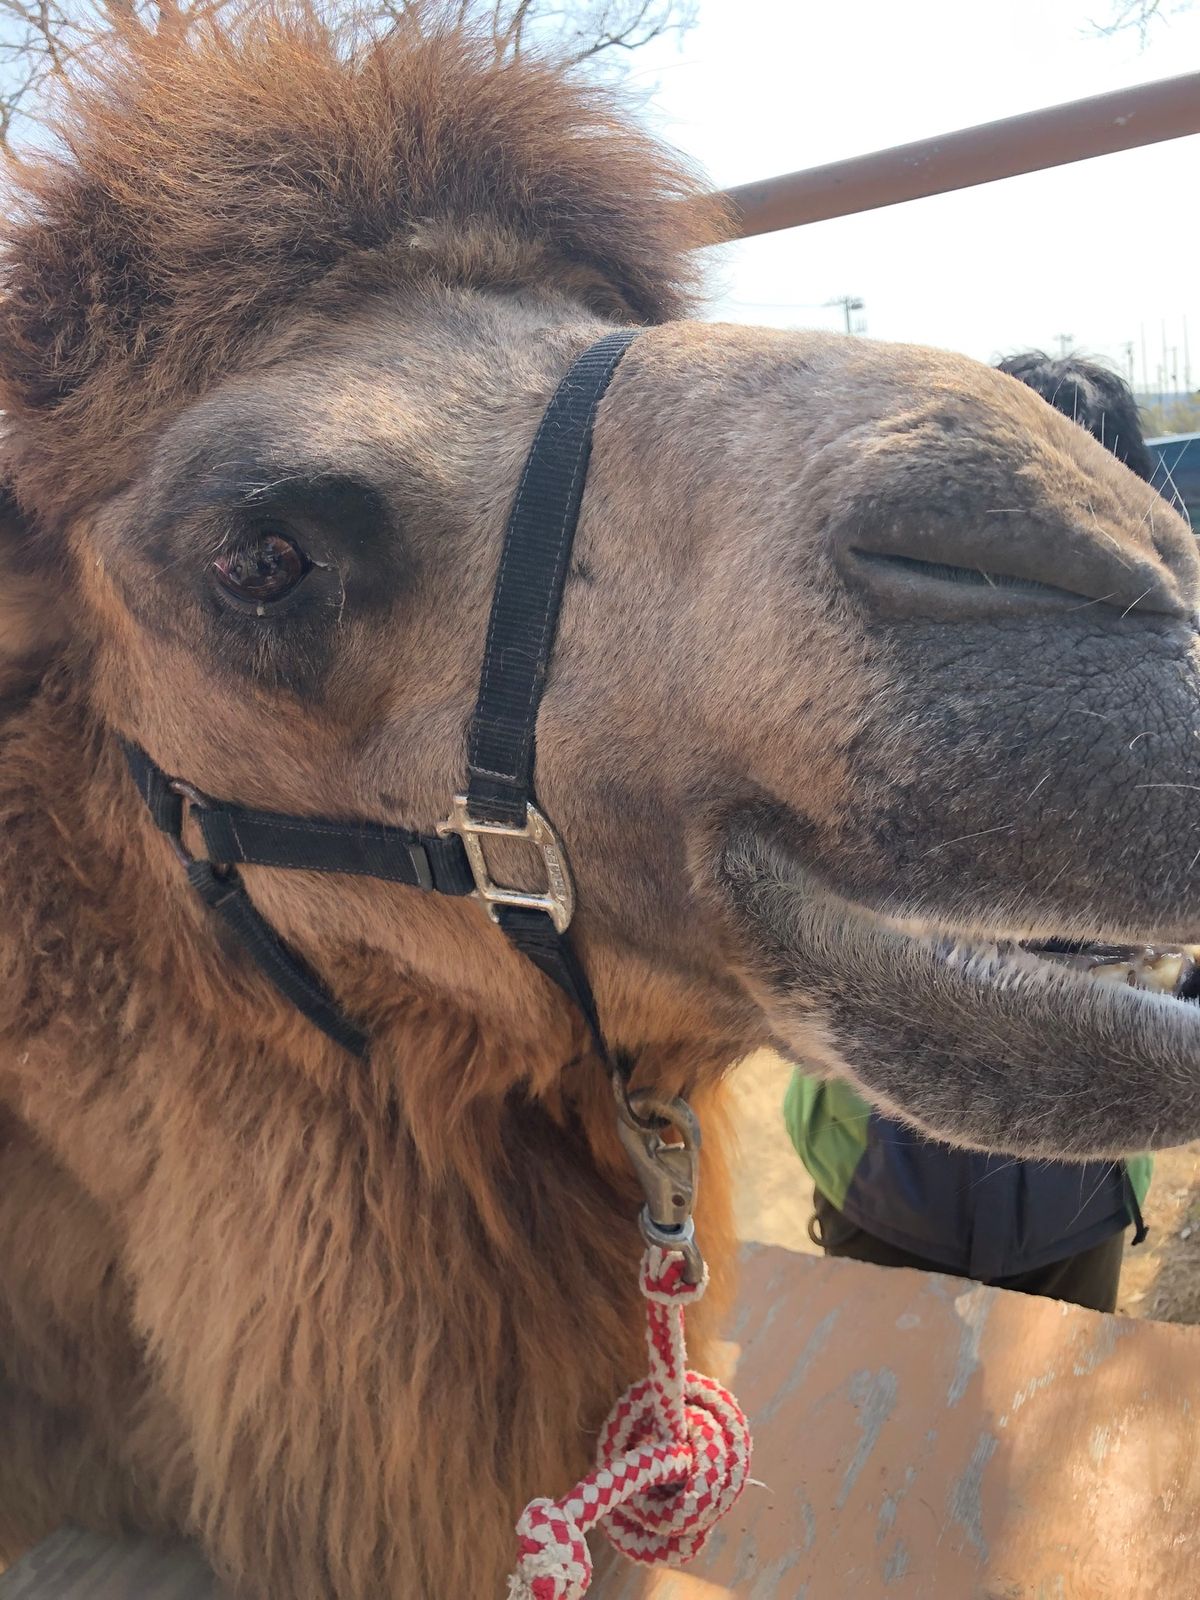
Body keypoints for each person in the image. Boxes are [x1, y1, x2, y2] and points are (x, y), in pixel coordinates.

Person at [785, 351, 1168, 1315]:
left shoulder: (859, 695)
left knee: (883, 1414)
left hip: (886, 1171)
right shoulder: (1165, 724)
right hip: (1074, 1182)